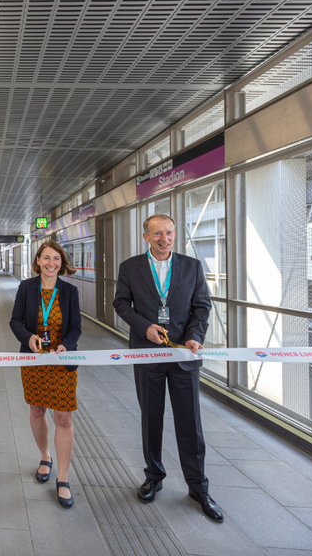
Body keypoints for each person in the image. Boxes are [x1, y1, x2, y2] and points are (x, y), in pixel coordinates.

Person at [112, 213, 223, 523]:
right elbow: (121, 304)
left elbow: (202, 306)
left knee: (190, 422)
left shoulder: (191, 266)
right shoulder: (130, 268)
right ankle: (154, 477)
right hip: (147, 354)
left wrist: (193, 337)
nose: (165, 239)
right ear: (146, 236)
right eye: (158, 234)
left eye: (169, 233)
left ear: (175, 234)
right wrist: (144, 326)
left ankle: (198, 487)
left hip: (183, 356)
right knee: (151, 417)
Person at [9, 240, 81, 508]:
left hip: (61, 361)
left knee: (64, 417)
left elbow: (75, 327)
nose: (51, 263)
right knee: (37, 410)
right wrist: (28, 339)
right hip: (34, 361)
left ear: (61, 264)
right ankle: (45, 456)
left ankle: (62, 477)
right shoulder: (27, 288)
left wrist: (68, 344)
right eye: (46, 258)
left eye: (57, 259)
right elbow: (15, 321)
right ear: (37, 260)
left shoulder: (70, 292)